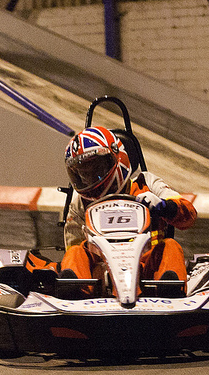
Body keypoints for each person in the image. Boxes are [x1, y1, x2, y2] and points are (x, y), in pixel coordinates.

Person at [59, 126, 196, 296]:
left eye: (96, 168)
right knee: (75, 252)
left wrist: (163, 206)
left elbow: (189, 215)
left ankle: (171, 294)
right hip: (100, 279)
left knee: (170, 246)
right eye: (83, 173)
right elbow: (72, 248)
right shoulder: (79, 203)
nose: (90, 177)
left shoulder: (147, 183)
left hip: (148, 273)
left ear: (117, 158)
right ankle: (72, 296)